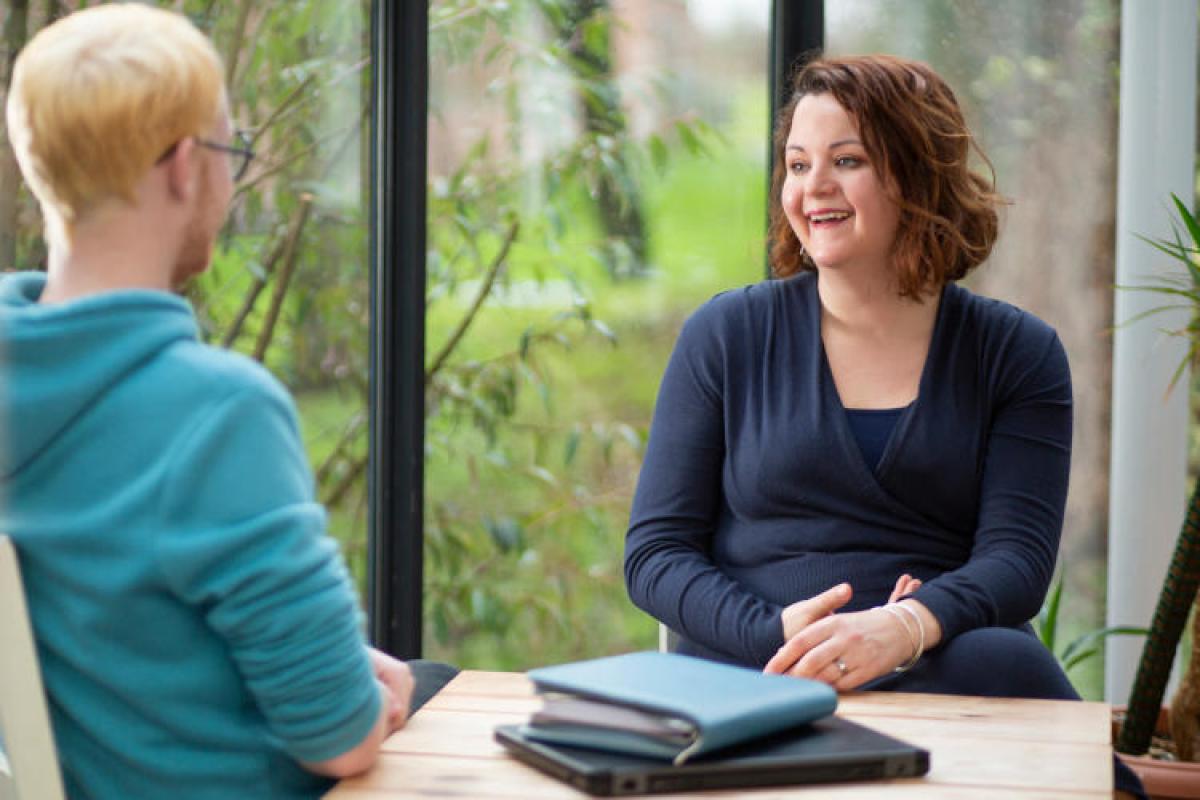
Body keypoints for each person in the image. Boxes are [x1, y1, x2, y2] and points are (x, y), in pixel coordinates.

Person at [623, 54, 1144, 799]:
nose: (812, 189)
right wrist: (776, 633)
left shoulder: (1017, 353)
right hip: (755, 664)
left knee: (1009, 666)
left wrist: (906, 628)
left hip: (942, 656)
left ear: (918, 172)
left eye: (848, 160)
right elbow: (655, 552)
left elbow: (1017, 563)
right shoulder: (726, 335)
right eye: (798, 164)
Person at [0, 4, 453, 798]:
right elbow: (338, 740)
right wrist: (362, 696)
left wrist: (342, 674)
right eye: (227, 151)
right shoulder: (215, 413)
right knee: (439, 693)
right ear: (183, 166)